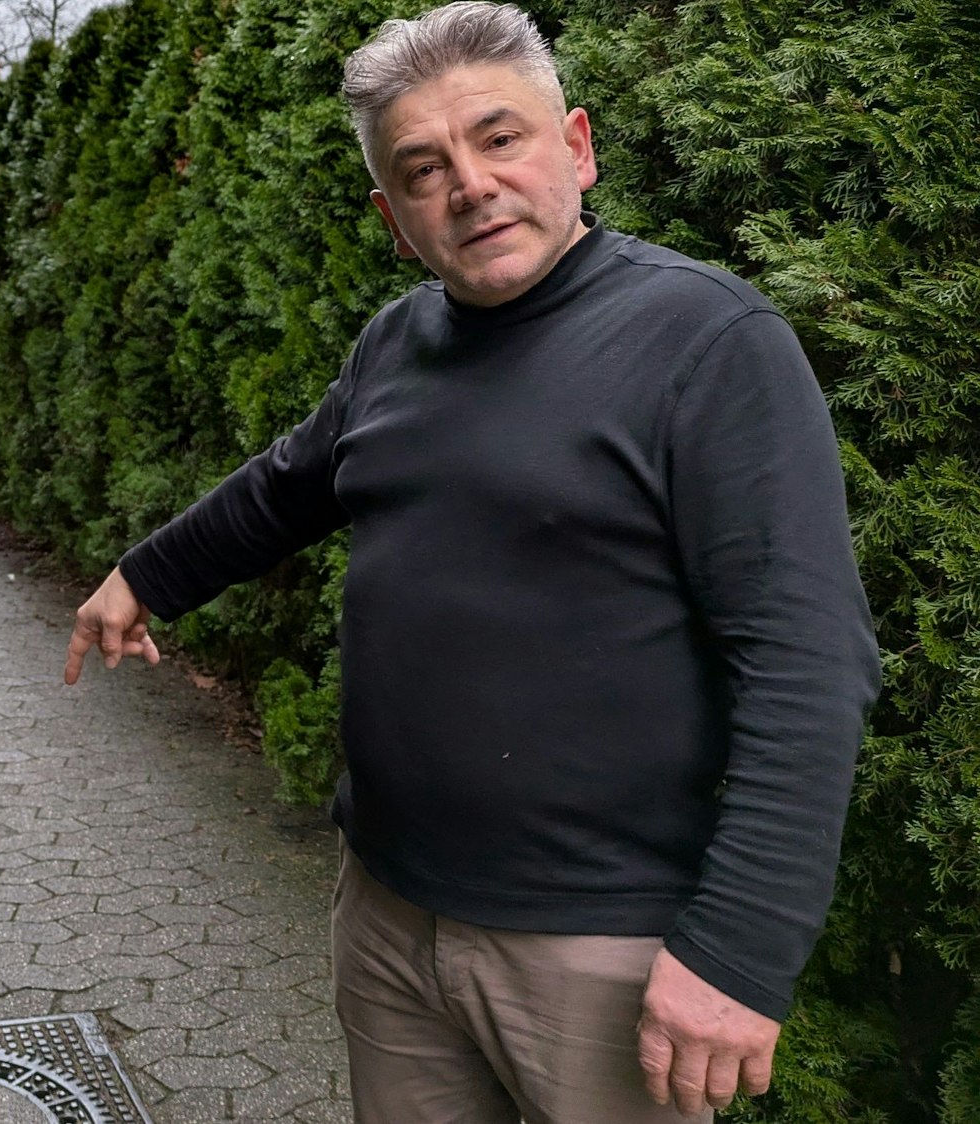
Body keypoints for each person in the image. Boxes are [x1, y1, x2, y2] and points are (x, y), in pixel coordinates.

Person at [60, 4, 883, 1121]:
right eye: (423, 166)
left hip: (599, 953)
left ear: (576, 147)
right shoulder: (395, 343)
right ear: (394, 216)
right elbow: (286, 485)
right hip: (389, 917)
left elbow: (807, 664)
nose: (470, 184)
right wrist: (144, 577)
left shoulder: (707, 343)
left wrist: (738, 953)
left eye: (500, 139)